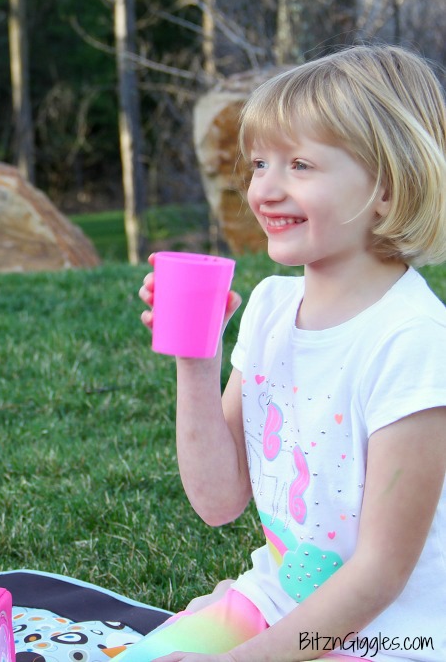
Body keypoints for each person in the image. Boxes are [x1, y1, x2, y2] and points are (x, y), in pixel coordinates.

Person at [129, 44, 446, 661]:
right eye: (258, 164)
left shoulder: (414, 342)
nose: (264, 190)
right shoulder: (272, 308)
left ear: (386, 187)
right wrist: (196, 357)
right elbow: (219, 502)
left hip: (394, 634)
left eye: (299, 165)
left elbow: (379, 576)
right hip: (281, 602)